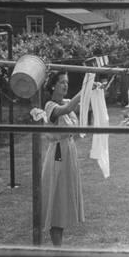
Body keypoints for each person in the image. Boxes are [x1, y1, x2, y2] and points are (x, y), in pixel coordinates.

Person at [41, 71, 84, 247]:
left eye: (66, 82)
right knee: (57, 194)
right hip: (58, 151)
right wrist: (85, 89)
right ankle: (57, 248)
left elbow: (81, 105)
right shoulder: (50, 106)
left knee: (64, 196)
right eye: (61, 83)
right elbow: (66, 110)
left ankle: (59, 246)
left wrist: (95, 90)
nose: (65, 85)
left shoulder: (67, 102)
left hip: (69, 151)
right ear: (53, 85)